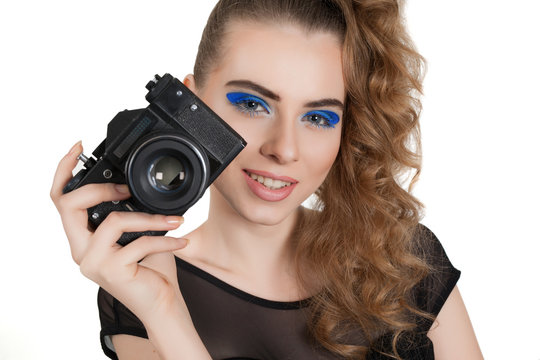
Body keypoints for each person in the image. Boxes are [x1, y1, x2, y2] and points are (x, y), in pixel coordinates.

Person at [50, 0, 483, 359]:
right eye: (252, 104)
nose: (284, 148)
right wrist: (164, 311)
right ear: (190, 106)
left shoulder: (405, 258)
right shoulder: (139, 288)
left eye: (317, 116)